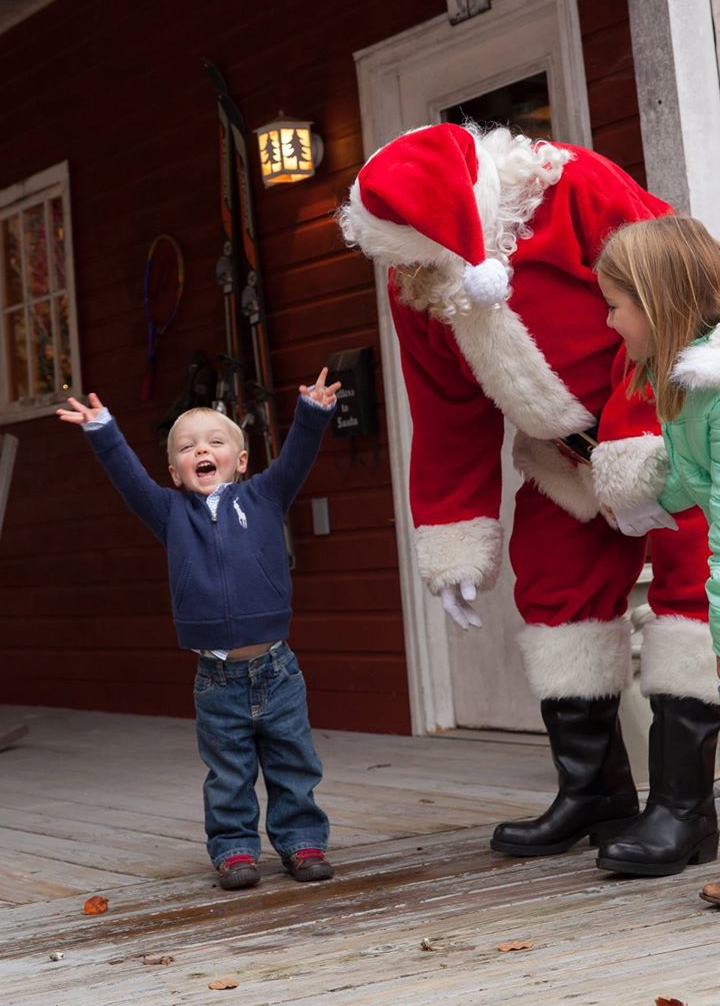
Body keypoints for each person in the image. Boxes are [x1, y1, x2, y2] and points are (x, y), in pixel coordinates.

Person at [339, 121, 715, 876]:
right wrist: (452, 535)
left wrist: (637, 448)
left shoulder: (573, 184)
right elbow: (446, 406)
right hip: (560, 456)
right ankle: (594, 793)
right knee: (554, 584)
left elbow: (676, 303)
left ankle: (684, 808)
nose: (409, 274)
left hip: (671, 429)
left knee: (690, 595)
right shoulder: (410, 271)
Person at [57, 368, 340, 890]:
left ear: (242, 459)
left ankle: (302, 842)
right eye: (187, 447)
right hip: (217, 677)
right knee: (228, 771)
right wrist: (103, 430)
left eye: (214, 442)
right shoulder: (168, 513)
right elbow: (128, 480)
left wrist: (312, 412)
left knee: (293, 762)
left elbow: (298, 456)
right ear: (174, 470)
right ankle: (234, 851)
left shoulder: (265, 496)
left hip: (277, 667)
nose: (201, 451)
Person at [591, 216, 720, 882]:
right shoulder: (680, 388)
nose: (610, 324)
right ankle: (686, 815)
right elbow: (688, 479)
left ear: (657, 299)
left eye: (615, 306)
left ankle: (686, 812)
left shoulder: (717, 393)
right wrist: (643, 504)